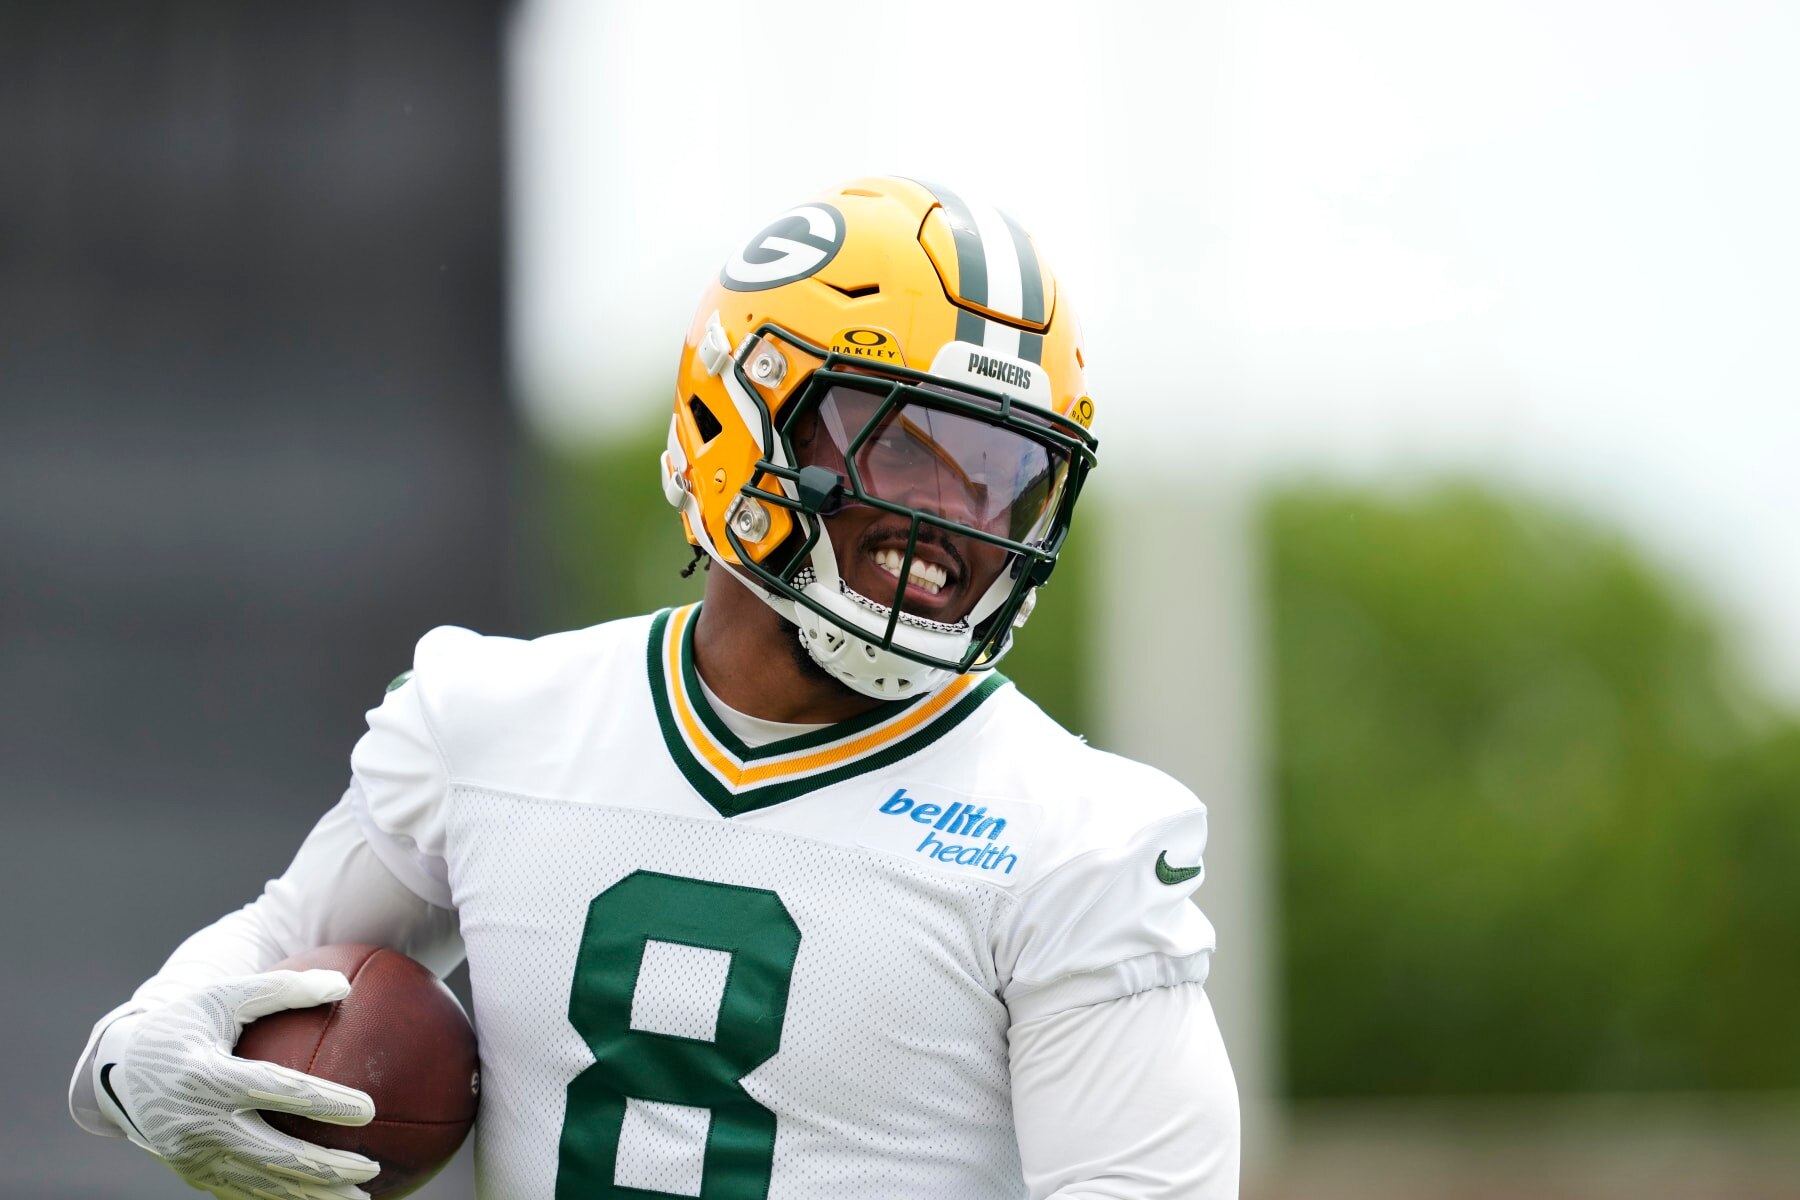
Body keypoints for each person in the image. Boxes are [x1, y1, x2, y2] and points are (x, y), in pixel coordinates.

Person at [69, 176, 1240, 1199]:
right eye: (901, 448)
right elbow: (278, 948)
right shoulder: (490, 721)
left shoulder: (1075, 837)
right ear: (746, 415)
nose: (956, 519)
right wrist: (132, 1060)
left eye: (1003, 476)